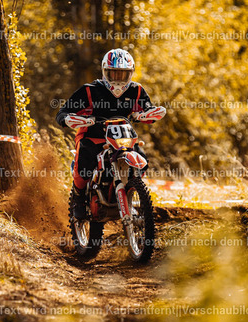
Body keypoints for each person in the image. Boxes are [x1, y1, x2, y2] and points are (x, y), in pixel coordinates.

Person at [56, 48, 166, 219]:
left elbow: (147, 108)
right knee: (85, 158)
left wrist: (147, 114)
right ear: (105, 72)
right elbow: (63, 112)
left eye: (122, 74)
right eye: (113, 74)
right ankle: (78, 198)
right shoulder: (90, 91)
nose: (118, 79)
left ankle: (131, 189)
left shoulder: (136, 90)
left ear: (130, 73)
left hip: (123, 139)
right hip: (92, 136)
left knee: (142, 158)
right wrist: (69, 119)